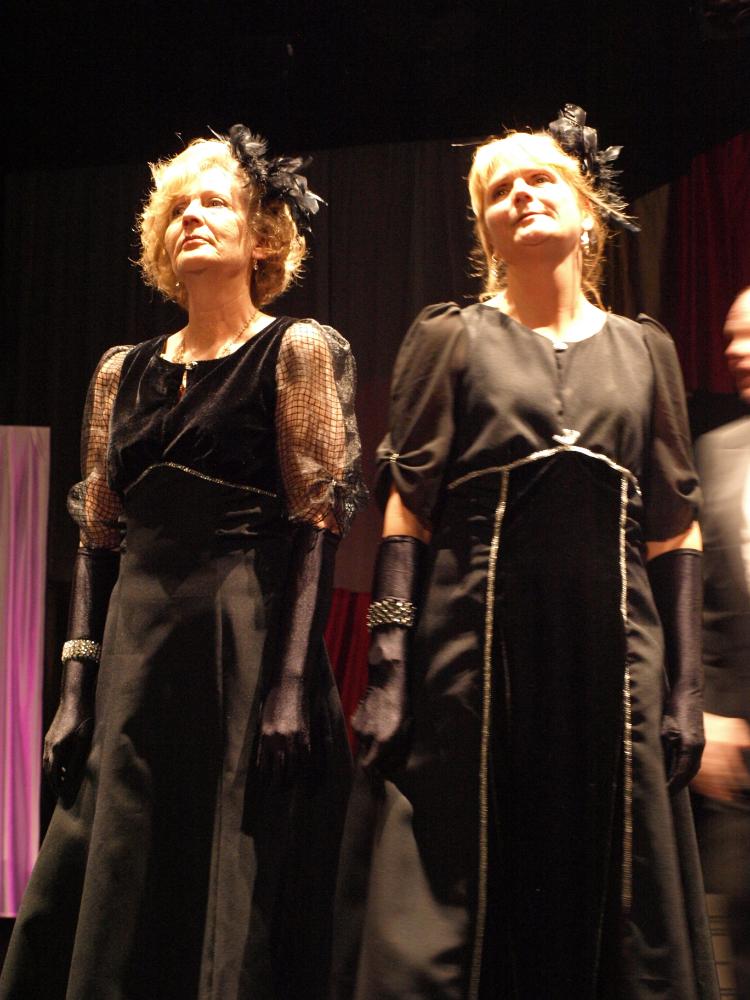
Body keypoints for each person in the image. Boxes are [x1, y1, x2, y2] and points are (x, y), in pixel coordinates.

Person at [333, 106, 718, 999]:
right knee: (465, 894)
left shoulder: (645, 349)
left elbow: (674, 526)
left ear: (587, 213)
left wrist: (689, 688)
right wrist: (388, 667)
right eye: (499, 191)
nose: (521, 196)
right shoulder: (451, 337)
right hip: (473, 661)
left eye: (540, 179)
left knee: (614, 895)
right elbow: (408, 511)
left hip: (616, 668)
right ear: (486, 231)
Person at [0, 126, 366, 1000]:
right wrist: (76, 685)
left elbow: (316, 522)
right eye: (178, 208)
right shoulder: (118, 372)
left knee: (227, 867)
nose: (192, 217)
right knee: (121, 860)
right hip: (135, 657)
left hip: (240, 649)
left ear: (262, 237)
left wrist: (288, 686)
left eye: (214, 203)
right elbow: (98, 533)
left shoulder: (297, 349)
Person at [692, 287, 750, 999]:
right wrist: (706, 710)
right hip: (741, 752)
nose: (735, 350)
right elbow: (703, 605)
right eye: (731, 336)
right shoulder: (716, 452)